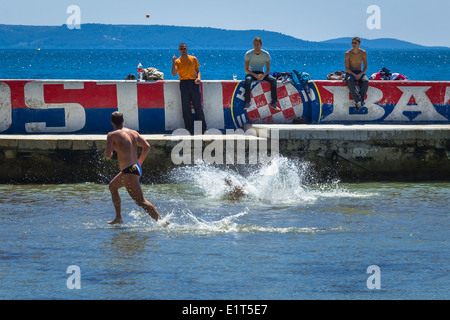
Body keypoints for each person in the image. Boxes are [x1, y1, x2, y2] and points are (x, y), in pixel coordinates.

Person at [105, 111, 167, 226]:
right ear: (123, 121)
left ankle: (162, 222)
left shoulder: (111, 135)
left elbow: (108, 155)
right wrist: (140, 162)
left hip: (129, 171)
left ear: (112, 122)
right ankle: (118, 218)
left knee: (141, 201)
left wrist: (112, 147)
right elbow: (147, 146)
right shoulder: (133, 132)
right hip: (134, 168)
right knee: (112, 186)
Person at [172, 43, 207, 135]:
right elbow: (174, 73)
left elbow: (198, 71)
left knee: (198, 106)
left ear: (187, 49)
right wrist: (173, 62)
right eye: (181, 49)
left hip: (194, 83)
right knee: (185, 107)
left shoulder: (193, 58)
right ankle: (189, 128)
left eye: (184, 48)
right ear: (179, 50)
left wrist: (198, 78)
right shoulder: (178, 61)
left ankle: (202, 128)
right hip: (184, 83)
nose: (183, 50)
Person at [244, 37, 280, 111]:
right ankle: (247, 102)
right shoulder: (248, 54)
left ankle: (274, 103)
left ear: (261, 45)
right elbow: (246, 70)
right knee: (247, 80)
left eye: (257, 44)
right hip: (251, 73)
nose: (256, 46)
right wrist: (255, 75)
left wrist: (263, 76)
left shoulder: (266, 54)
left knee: (273, 80)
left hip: (261, 73)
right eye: (254, 44)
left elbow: (268, 69)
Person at [344, 37, 369, 111]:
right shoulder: (347, 53)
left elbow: (365, 67)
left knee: (365, 81)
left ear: (359, 44)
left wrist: (360, 74)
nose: (353, 44)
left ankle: (360, 101)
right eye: (352, 43)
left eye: (355, 43)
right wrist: (354, 75)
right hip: (350, 72)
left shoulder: (363, 53)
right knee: (349, 80)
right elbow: (347, 68)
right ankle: (359, 100)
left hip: (360, 72)